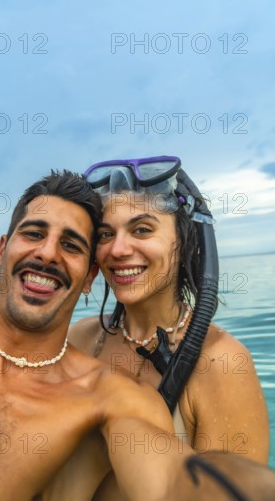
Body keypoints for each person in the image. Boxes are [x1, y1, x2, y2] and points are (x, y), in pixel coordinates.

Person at [0, 169, 197, 500]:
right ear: (2, 249)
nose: (47, 253)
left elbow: (170, 480)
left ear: (90, 277)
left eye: (71, 245)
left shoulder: (110, 396)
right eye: (33, 234)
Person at [69, 156, 270, 496]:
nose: (118, 249)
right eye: (106, 234)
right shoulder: (82, 338)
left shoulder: (220, 363)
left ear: (185, 242)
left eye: (142, 229)